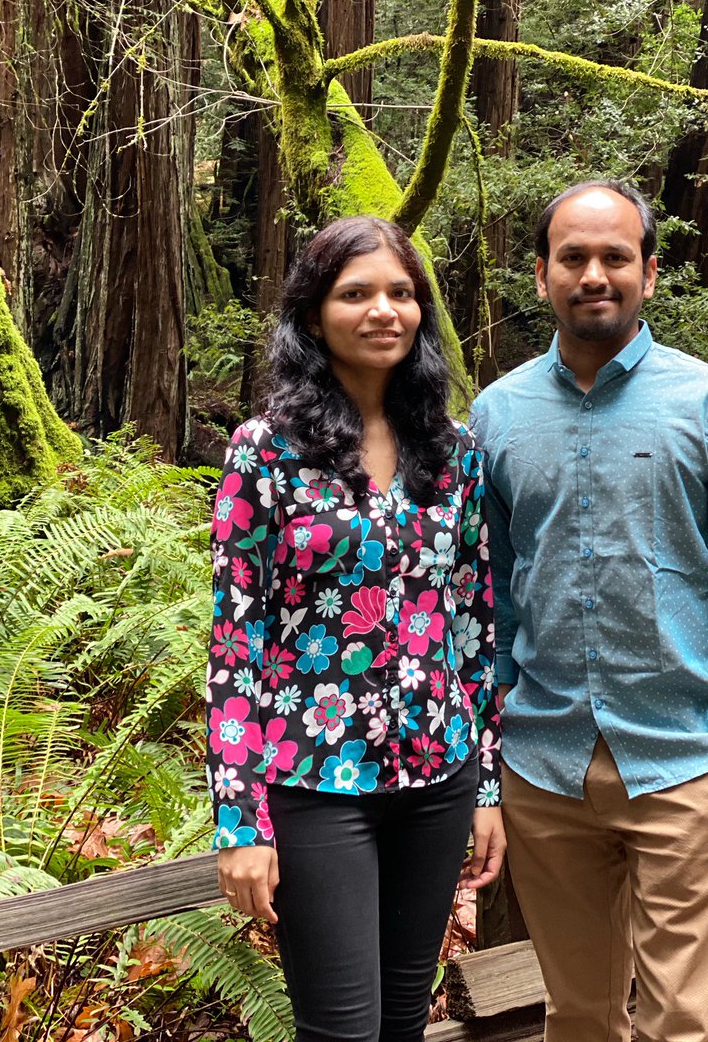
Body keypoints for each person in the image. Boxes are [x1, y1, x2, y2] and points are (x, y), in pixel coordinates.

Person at [470, 181, 708, 1042]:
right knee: (577, 1015)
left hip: (684, 757)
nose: (594, 274)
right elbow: (493, 588)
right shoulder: (496, 415)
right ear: (540, 275)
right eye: (572, 257)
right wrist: (494, 730)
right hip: (545, 763)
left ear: (650, 274)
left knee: (690, 1020)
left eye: (615, 256)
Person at [206, 216, 504, 1042]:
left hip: (436, 776)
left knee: (404, 1020)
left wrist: (485, 784)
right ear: (312, 317)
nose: (385, 310)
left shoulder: (453, 452)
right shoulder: (264, 452)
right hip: (315, 779)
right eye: (357, 293)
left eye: (402, 293)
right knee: (341, 1028)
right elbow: (237, 644)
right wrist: (240, 822)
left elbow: (475, 627)